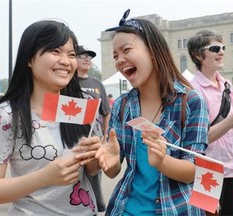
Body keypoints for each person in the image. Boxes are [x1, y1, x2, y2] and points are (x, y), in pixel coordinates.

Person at [0, 20, 103, 215]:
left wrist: (100, 156)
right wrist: (45, 177)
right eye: (55, 51)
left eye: (71, 54)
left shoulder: (82, 107)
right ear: (29, 58)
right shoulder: (7, 116)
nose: (66, 61)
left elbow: (91, 171)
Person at [95, 9, 210, 215]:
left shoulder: (191, 102)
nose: (120, 60)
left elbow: (195, 171)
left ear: (152, 51)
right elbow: (113, 171)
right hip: (125, 209)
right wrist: (108, 161)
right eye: (115, 55)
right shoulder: (122, 105)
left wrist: (163, 162)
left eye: (126, 50)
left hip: (176, 209)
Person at [187, 30, 233, 216]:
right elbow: (198, 139)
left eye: (222, 48)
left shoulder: (227, 85)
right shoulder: (192, 89)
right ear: (198, 55)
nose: (221, 52)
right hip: (207, 173)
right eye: (215, 48)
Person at [76, 45, 111, 212]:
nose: (87, 59)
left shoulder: (97, 83)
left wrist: (105, 135)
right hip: (72, 139)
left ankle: (96, 206)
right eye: (82, 56)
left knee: (94, 174)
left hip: (94, 138)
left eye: (89, 57)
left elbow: (106, 112)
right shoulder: (67, 83)